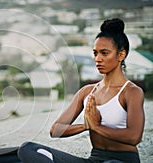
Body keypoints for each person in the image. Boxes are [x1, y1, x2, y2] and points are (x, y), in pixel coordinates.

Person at [18, 18, 145, 163]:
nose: (98, 59)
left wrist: (96, 126)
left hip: (122, 160)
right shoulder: (87, 91)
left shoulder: (132, 92)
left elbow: (134, 137)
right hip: (95, 159)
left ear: (121, 55)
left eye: (104, 53)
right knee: (29, 149)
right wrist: (86, 125)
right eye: (95, 53)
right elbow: (56, 130)